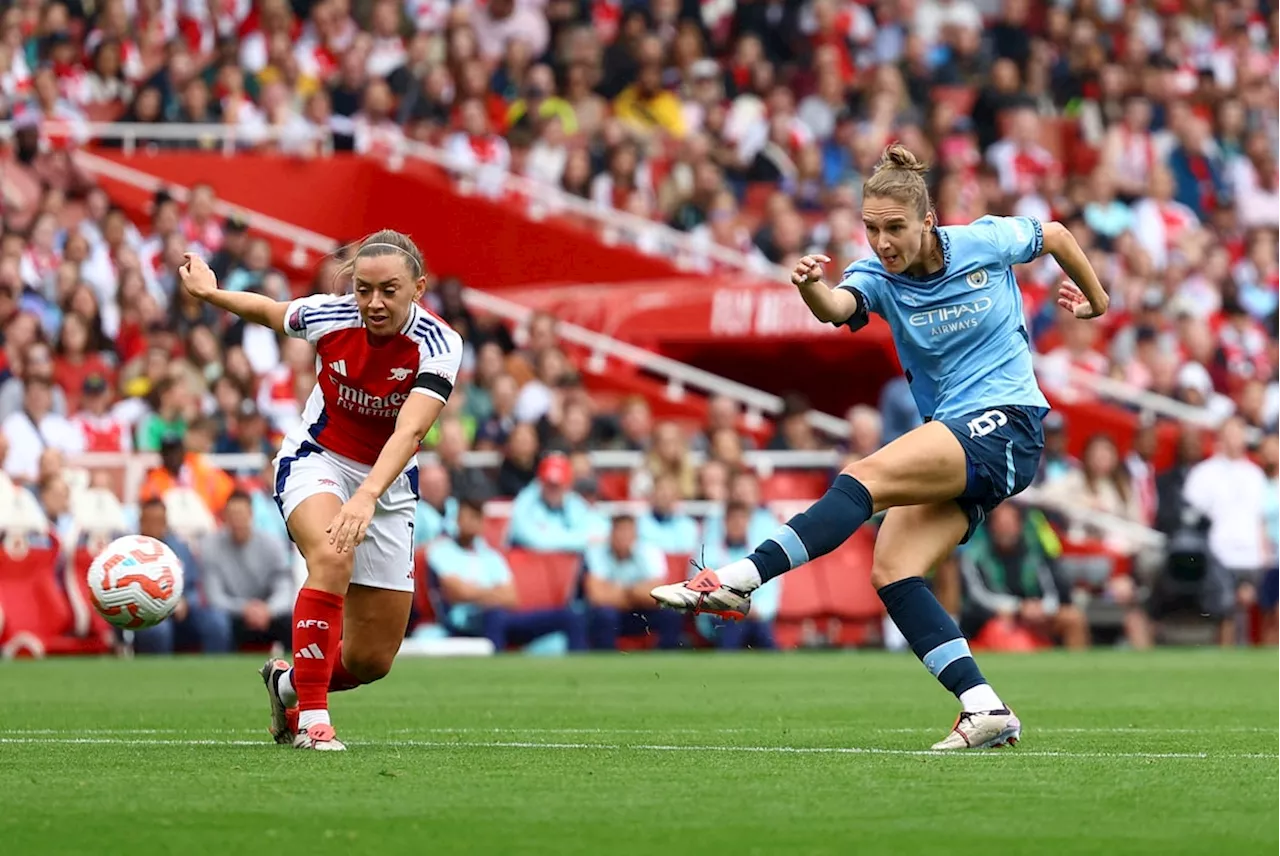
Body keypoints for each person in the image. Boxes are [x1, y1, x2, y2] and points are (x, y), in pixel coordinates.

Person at [651, 144, 1109, 750]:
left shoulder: (984, 241)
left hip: (1009, 423)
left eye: (895, 227)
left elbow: (1053, 234)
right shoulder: (876, 277)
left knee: (863, 476)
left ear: (929, 220)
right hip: (960, 438)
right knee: (893, 570)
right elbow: (836, 308)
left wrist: (1097, 301)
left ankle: (740, 577)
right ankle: (984, 706)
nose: (883, 241)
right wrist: (812, 287)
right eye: (871, 228)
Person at [177, 229, 462, 751]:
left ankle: (285, 686)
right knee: (333, 554)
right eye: (363, 288)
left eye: (389, 290)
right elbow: (268, 311)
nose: (373, 302)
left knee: (370, 660)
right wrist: (211, 294)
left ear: (418, 289)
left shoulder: (440, 343)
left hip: (387, 483)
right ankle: (312, 721)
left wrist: (368, 494)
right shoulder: (331, 315)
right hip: (316, 460)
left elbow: (411, 431)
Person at [430, 497, 587, 651]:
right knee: (494, 616)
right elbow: (457, 593)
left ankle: (580, 671)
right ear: (457, 520)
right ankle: (493, 673)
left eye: (476, 518)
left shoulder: (492, 556)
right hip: (463, 621)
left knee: (570, 617)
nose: (471, 523)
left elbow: (512, 598)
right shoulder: (442, 550)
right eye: (467, 518)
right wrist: (492, 594)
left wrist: (475, 592)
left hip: (502, 617)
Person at [199, 491, 297, 652]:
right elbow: (214, 597)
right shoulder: (210, 546)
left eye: (241, 514)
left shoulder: (272, 544)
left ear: (251, 514)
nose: (237, 520)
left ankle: (294, 672)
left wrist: (268, 610)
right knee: (214, 621)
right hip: (232, 615)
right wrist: (245, 609)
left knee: (293, 621)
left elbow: (284, 588)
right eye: (232, 515)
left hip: (268, 613)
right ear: (224, 517)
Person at [131, 498, 230, 655]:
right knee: (158, 630)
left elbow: (193, 587)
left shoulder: (180, 548)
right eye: (150, 521)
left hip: (183, 610)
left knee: (216, 622)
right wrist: (165, 605)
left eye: (160, 521)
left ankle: (215, 673)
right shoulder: (129, 552)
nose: (155, 527)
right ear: (141, 522)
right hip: (147, 613)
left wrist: (186, 602)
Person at [583, 514, 683, 650]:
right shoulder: (597, 552)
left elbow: (659, 594)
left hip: (643, 611)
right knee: (605, 616)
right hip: (615, 614)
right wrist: (636, 593)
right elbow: (596, 596)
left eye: (628, 532)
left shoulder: (649, 551)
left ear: (635, 535)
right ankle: (606, 663)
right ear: (611, 534)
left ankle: (665, 661)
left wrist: (623, 591)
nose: (623, 538)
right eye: (620, 532)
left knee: (670, 614)